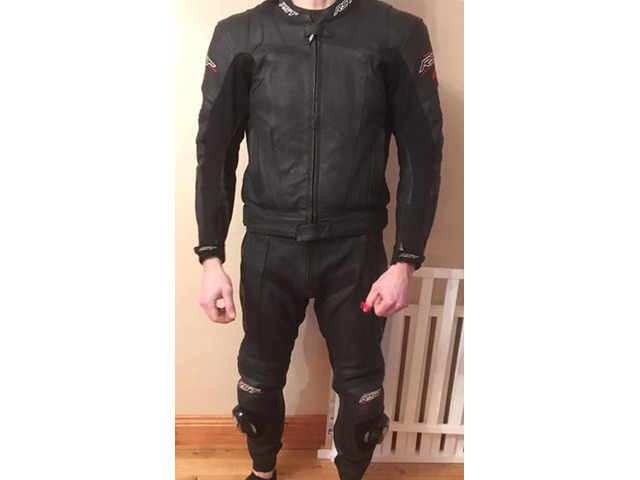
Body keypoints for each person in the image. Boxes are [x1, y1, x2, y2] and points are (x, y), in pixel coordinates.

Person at [193, 0, 443, 478]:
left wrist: (405, 260)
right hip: (269, 248)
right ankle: (262, 471)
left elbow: (423, 154)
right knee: (257, 382)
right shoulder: (239, 35)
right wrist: (210, 256)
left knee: (363, 390)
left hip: (356, 252)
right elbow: (214, 150)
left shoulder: (397, 34)